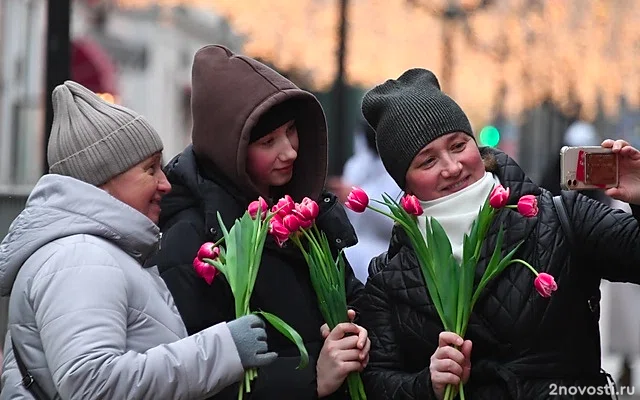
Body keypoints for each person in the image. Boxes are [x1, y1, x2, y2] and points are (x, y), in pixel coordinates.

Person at [356, 68, 640, 399]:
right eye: (427, 161)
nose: (452, 167)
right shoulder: (387, 278)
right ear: (404, 182)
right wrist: (427, 383)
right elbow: (375, 381)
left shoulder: (563, 217)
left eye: (459, 145)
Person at [0, 81, 276, 400]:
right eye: (150, 169)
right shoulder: (81, 257)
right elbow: (93, 385)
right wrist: (223, 349)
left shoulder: (93, 252)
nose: (166, 184)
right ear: (103, 179)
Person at [153, 45, 370, 400]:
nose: (290, 152)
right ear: (230, 150)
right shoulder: (191, 238)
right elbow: (192, 373)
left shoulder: (304, 216)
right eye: (268, 141)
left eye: (291, 131)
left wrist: (357, 327)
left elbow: (351, 295)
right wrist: (311, 379)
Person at [327, 120, 401, 283]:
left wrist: (363, 200)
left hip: (385, 253)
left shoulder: (398, 168)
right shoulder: (355, 165)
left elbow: (396, 220)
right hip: (354, 251)